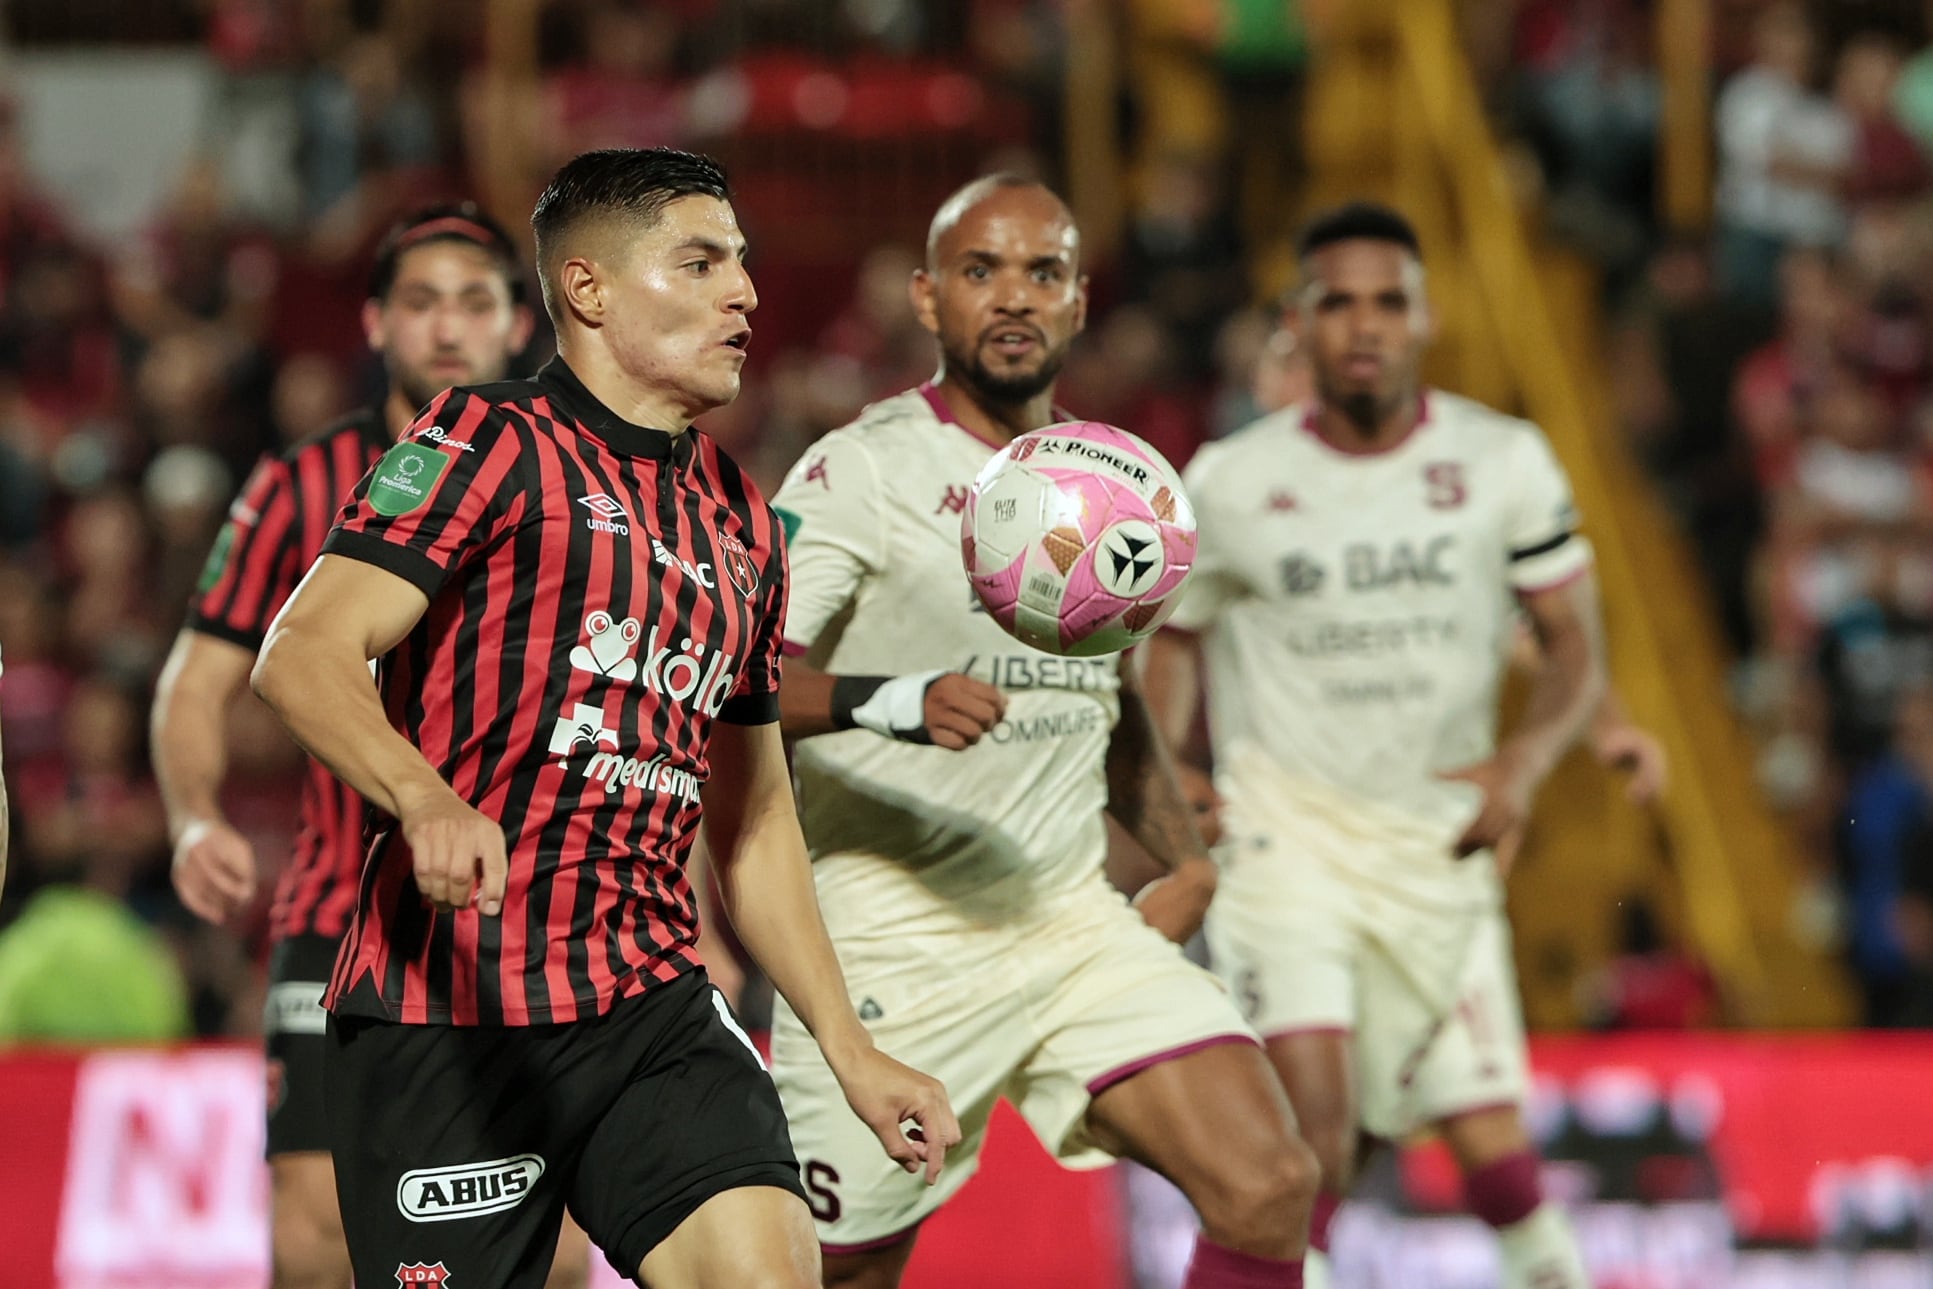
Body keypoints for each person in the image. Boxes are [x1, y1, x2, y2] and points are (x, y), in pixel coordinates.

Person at [248, 147, 957, 1289]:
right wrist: (423, 796)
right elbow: (303, 651)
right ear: (587, 289)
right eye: (702, 263)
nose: (745, 293)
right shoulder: (485, 439)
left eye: (741, 263)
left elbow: (754, 822)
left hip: (648, 1004)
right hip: (450, 1009)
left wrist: (850, 1046)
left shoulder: (742, 518)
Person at [767, 173, 1318, 1289]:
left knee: (1268, 1185)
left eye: (1043, 271)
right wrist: (892, 699)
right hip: (888, 936)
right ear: (928, 297)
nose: (1013, 295)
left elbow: (1107, 700)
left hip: (1066, 920)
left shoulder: (1114, 485)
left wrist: (1186, 858)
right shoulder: (858, 469)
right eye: (981, 270)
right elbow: (732, 680)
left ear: (1077, 302)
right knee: (829, 1277)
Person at [1144, 202, 1611, 1289]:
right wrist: (1170, 775)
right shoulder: (1228, 479)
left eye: (1388, 302)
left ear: (1426, 318)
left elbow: (1574, 643)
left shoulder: (1502, 460)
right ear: (1297, 323)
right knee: (1311, 1132)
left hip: (1437, 854)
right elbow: (1174, 640)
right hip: (1285, 842)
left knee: (1493, 1158)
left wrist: (1524, 762)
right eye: (1338, 303)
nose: (1365, 325)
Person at [147, 203, 613, 1289]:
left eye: (474, 302)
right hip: (341, 905)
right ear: (373, 322)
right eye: (420, 302)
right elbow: (195, 679)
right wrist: (194, 815)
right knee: (314, 1234)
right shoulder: (297, 482)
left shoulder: (580, 484)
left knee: (552, 1243)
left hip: (529, 905)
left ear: (520, 323)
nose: (447, 327)